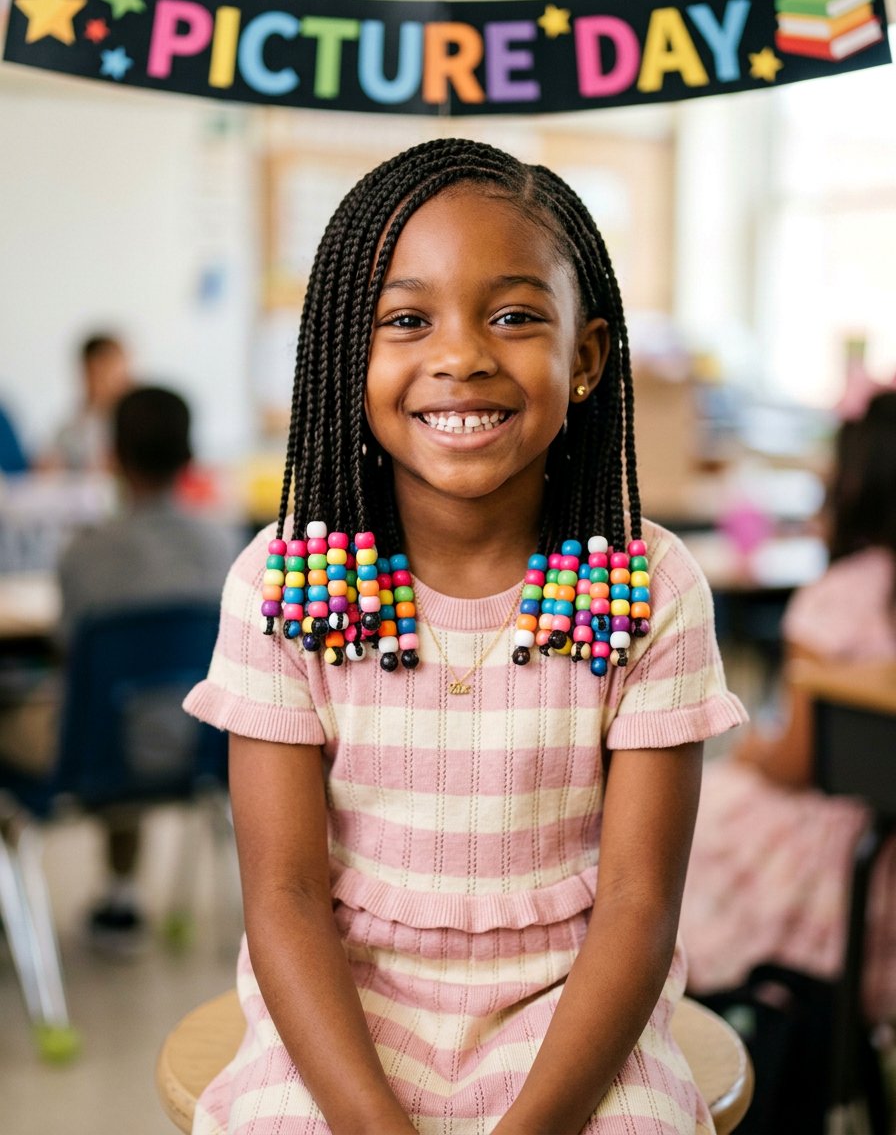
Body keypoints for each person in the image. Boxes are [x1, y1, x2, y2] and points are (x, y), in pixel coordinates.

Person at [183, 138, 747, 1135]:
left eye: (515, 316)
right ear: (344, 359)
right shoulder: (283, 584)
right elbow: (281, 896)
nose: (460, 355)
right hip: (345, 1004)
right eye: (405, 320)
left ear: (583, 359)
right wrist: (370, 1124)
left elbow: (634, 906)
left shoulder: (647, 587)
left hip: (571, 1009)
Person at [680, 389, 896, 1024]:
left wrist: (756, 751)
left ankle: (727, 1015)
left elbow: (800, 761)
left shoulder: (839, 598)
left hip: (849, 851)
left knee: (699, 810)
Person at [0, 385, 240, 950]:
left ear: (112, 456)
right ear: (189, 456)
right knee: (139, 700)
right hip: (205, 752)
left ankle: (28, 915)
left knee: (88, 704)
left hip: (94, 755)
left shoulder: (84, 554)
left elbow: (68, 659)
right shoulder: (225, 546)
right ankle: (121, 893)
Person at [40, 331, 133, 472]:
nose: (105, 384)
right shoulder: (72, 427)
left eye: (112, 373)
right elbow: (49, 465)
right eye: (98, 375)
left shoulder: (141, 423)